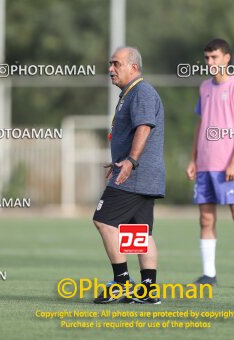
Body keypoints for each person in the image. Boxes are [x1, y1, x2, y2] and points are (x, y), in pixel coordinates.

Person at [92, 46, 165, 304]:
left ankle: (122, 283)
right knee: (138, 233)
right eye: (109, 64)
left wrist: (131, 162)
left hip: (135, 174)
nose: (110, 69)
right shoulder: (128, 94)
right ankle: (148, 291)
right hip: (140, 173)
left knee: (103, 220)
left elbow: (144, 128)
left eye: (116, 64)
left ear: (134, 67)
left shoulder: (141, 91)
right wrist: (119, 161)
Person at [186, 38, 234, 289]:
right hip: (205, 165)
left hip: (229, 167)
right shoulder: (204, 87)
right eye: (206, 58)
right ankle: (209, 274)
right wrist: (193, 158)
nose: (209, 62)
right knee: (205, 220)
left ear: (226, 58)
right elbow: (200, 124)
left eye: (214, 57)